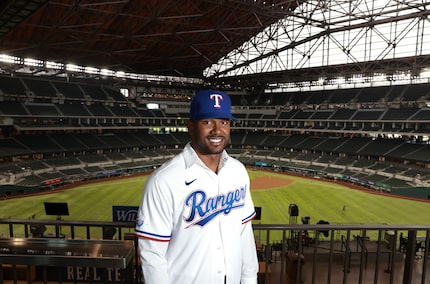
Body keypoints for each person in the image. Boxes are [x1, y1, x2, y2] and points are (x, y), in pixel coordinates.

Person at [135, 89, 259, 284]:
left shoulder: (238, 171)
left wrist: (250, 279)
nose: (217, 130)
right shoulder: (163, 181)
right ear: (190, 126)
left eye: (224, 122)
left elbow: (244, 233)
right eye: (207, 122)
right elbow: (152, 256)